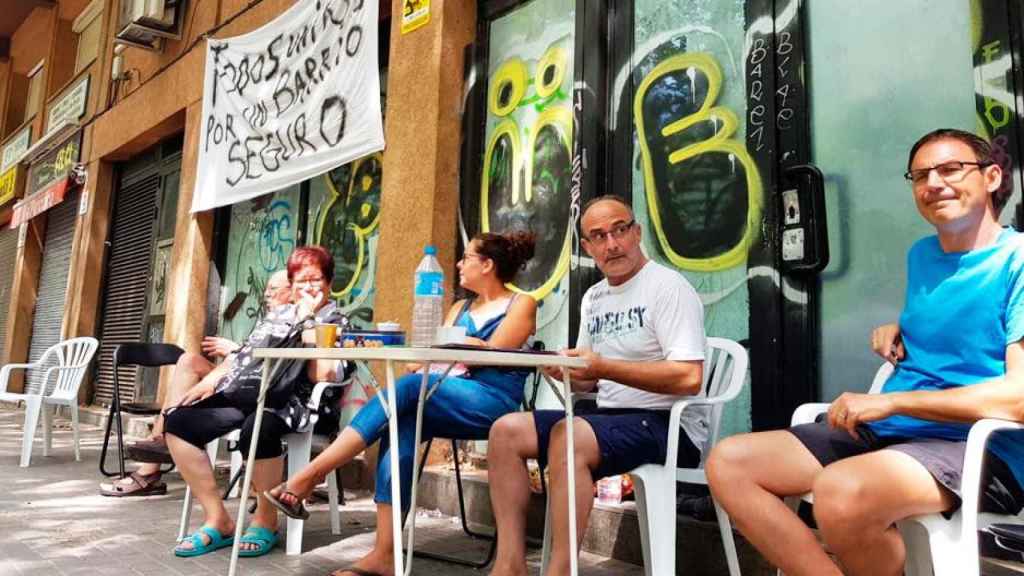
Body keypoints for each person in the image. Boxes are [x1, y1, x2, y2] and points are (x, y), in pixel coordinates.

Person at [706, 128, 1024, 576]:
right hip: (894, 434)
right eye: (920, 175)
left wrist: (889, 401)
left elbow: (1018, 398)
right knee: (730, 463)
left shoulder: (1017, 261)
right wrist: (900, 326)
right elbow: (962, 326)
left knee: (840, 491)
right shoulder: (924, 255)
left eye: (951, 169)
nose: (934, 183)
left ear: (992, 177)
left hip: (978, 445)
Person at [265, 230, 538, 576]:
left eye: (466, 257)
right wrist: (428, 358)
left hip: (493, 403)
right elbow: (437, 356)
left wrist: (446, 352)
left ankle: (311, 474)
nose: (458, 264)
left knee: (408, 390)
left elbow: (492, 356)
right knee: (401, 421)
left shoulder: (521, 303)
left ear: (487, 264)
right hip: (443, 395)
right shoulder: (459, 308)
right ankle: (385, 553)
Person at [486, 195, 707, 576]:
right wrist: (568, 372)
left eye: (620, 230)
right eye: (599, 236)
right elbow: (592, 380)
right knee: (505, 431)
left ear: (637, 233)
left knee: (568, 436)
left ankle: (560, 570)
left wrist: (602, 367)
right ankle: (509, 566)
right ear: (588, 247)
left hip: (668, 425)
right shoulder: (595, 297)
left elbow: (689, 377)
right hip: (607, 417)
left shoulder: (668, 287)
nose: (612, 244)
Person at [165, 246, 348, 558]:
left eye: (316, 279)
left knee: (258, 427)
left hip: (299, 404)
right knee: (179, 422)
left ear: (329, 282)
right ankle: (218, 519)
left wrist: (308, 321)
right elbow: (246, 355)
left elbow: (323, 375)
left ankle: (265, 520)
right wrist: (212, 379)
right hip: (253, 393)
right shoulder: (278, 315)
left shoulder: (337, 319)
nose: (308, 287)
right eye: (300, 280)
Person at [99, 270, 293, 497]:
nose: (266, 295)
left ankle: (151, 467)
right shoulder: (269, 319)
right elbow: (248, 358)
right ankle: (161, 442)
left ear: (292, 292)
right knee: (189, 361)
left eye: (274, 289)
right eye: (267, 289)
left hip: (264, 390)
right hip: (240, 380)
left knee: (195, 374)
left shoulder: (299, 318)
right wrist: (237, 353)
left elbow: (277, 363)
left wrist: (236, 351)